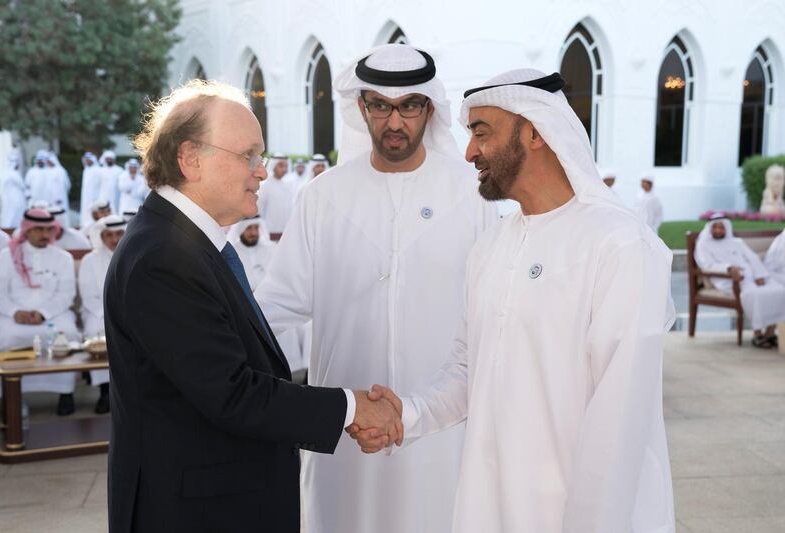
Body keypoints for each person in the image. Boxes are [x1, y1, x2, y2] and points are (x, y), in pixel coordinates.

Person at [350, 69, 677, 533]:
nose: (469, 153)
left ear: (534, 132)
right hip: (490, 505)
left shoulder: (620, 244)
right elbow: (469, 369)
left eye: (481, 133)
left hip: (585, 515)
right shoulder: (491, 246)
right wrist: (409, 413)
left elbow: (620, 419)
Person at [104, 79, 402, 532]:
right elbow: (232, 393)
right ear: (189, 158)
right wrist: (352, 409)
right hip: (193, 512)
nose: (261, 171)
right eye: (249, 155)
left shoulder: (185, 243)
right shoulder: (163, 258)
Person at [255, 44, 496, 533]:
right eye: (380, 105)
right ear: (360, 107)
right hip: (346, 430)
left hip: (441, 430)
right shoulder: (323, 195)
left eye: (409, 105)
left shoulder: (471, 193)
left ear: (429, 108)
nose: (394, 122)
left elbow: (494, 312)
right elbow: (278, 305)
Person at [0, 208, 80, 415]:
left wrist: (43, 313)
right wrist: (16, 312)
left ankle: (65, 392)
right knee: (8, 337)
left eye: (49, 229)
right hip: (10, 314)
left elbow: (66, 295)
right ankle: (11, 395)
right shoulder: (6, 256)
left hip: (53, 313)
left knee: (67, 334)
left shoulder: (63, 257)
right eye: (39, 229)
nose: (45, 235)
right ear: (27, 230)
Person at [696, 216, 785, 348]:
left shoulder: (736, 242)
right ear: (710, 228)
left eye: (721, 227)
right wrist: (729, 268)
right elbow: (707, 265)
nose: (718, 230)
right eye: (715, 227)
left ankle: (770, 334)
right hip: (730, 280)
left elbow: (753, 258)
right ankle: (758, 334)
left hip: (752, 278)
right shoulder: (703, 245)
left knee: (780, 292)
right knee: (756, 296)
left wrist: (759, 275)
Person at [229, 216, 304, 371]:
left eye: (256, 228)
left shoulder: (271, 249)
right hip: (246, 305)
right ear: (240, 230)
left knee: (288, 323)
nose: (253, 232)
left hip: (273, 301)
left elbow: (284, 277)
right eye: (249, 229)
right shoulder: (232, 252)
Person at [79, 215, 126, 414]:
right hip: (98, 312)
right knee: (95, 332)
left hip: (134, 312)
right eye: (109, 235)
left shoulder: (135, 252)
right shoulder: (89, 260)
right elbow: (88, 296)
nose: (114, 240)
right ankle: (105, 391)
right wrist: (110, 314)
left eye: (119, 234)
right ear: (101, 236)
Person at [255, 153, 296, 239]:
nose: (284, 169)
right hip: (268, 233)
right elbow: (259, 211)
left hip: (285, 233)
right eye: (281, 166)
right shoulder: (264, 186)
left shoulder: (289, 185)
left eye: (286, 166)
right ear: (273, 166)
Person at [0, 154, 27, 230]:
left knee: (8, 214)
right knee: (14, 215)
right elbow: (22, 185)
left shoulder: (5, 173)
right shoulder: (14, 174)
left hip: (8, 199)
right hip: (15, 199)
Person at [79, 152, 102, 226]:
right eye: (86, 160)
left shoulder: (98, 170)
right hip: (86, 197)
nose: (87, 161)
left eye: (89, 159)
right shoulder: (85, 170)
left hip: (95, 196)